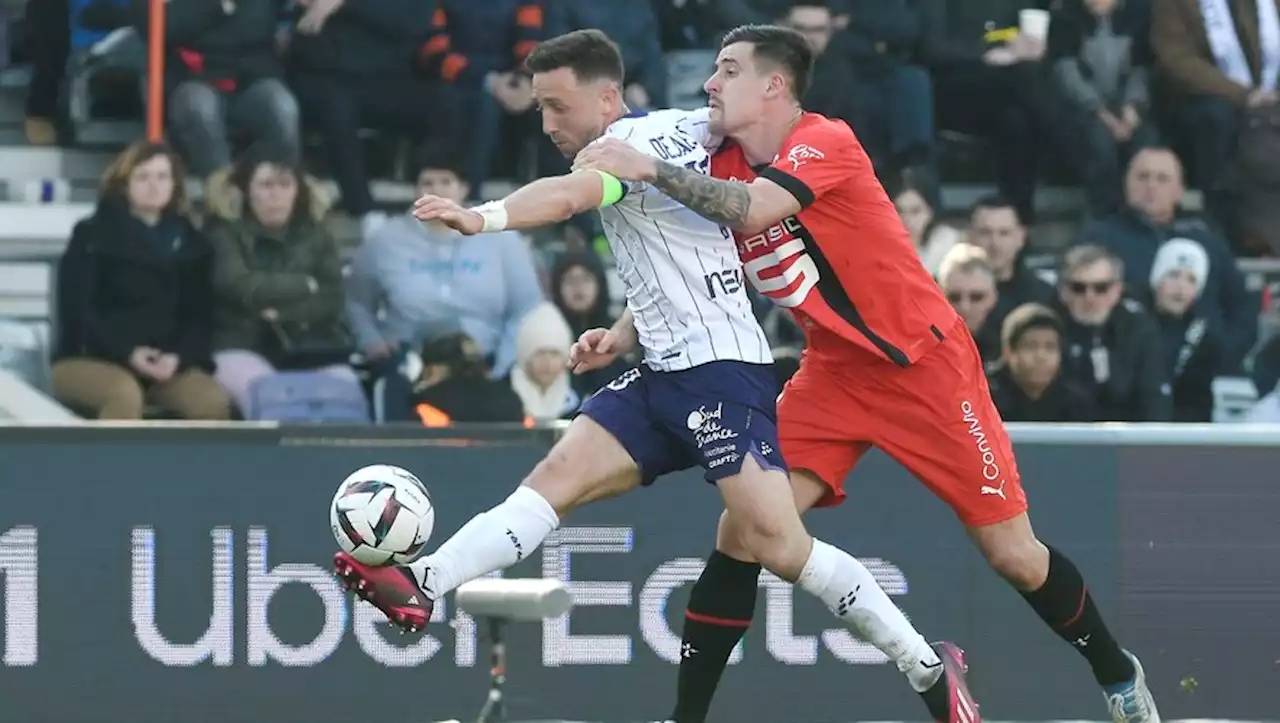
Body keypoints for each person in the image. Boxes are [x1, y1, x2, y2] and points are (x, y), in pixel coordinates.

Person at [332, 29, 977, 723]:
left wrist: (480, 215)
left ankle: (927, 668)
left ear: (608, 98)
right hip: (662, 373)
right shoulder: (672, 131)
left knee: (782, 548)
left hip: (725, 377)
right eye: (541, 110)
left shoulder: (617, 149)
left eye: (558, 107)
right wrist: (623, 330)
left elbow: (567, 196)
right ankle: (423, 582)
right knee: (553, 480)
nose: (548, 124)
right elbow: (676, 243)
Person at [572, 24, 1159, 723]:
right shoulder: (719, 165)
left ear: (774, 86)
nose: (709, 83)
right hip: (835, 372)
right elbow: (692, 266)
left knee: (1014, 555)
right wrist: (623, 329)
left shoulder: (826, 140)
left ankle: (1118, 673)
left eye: (728, 70)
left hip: (926, 369)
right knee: (745, 527)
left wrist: (652, 170)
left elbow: (757, 209)